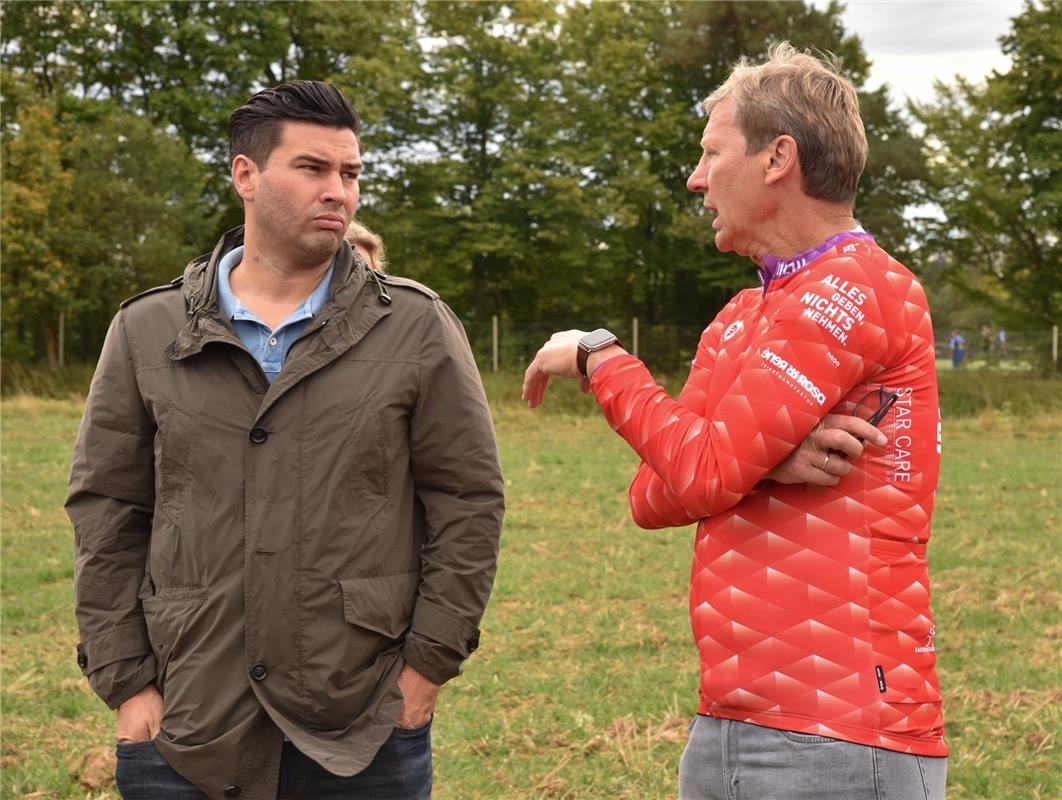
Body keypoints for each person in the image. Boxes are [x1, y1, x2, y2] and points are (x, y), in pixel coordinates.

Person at [523, 43, 946, 799]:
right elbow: (654, 497)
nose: (695, 177)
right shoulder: (744, 312)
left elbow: (701, 470)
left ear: (778, 158)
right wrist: (762, 460)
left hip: (841, 729)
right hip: (729, 722)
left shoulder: (859, 285)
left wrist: (600, 358)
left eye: (710, 152)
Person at [67, 80, 504, 800]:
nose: (339, 191)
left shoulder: (416, 328)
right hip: (185, 721)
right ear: (246, 174)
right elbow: (107, 510)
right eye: (313, 169)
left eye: (351, 173)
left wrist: (425, 668)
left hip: (361, 724)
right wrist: (127, 684)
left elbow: (468, 501)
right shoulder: (147, 330)